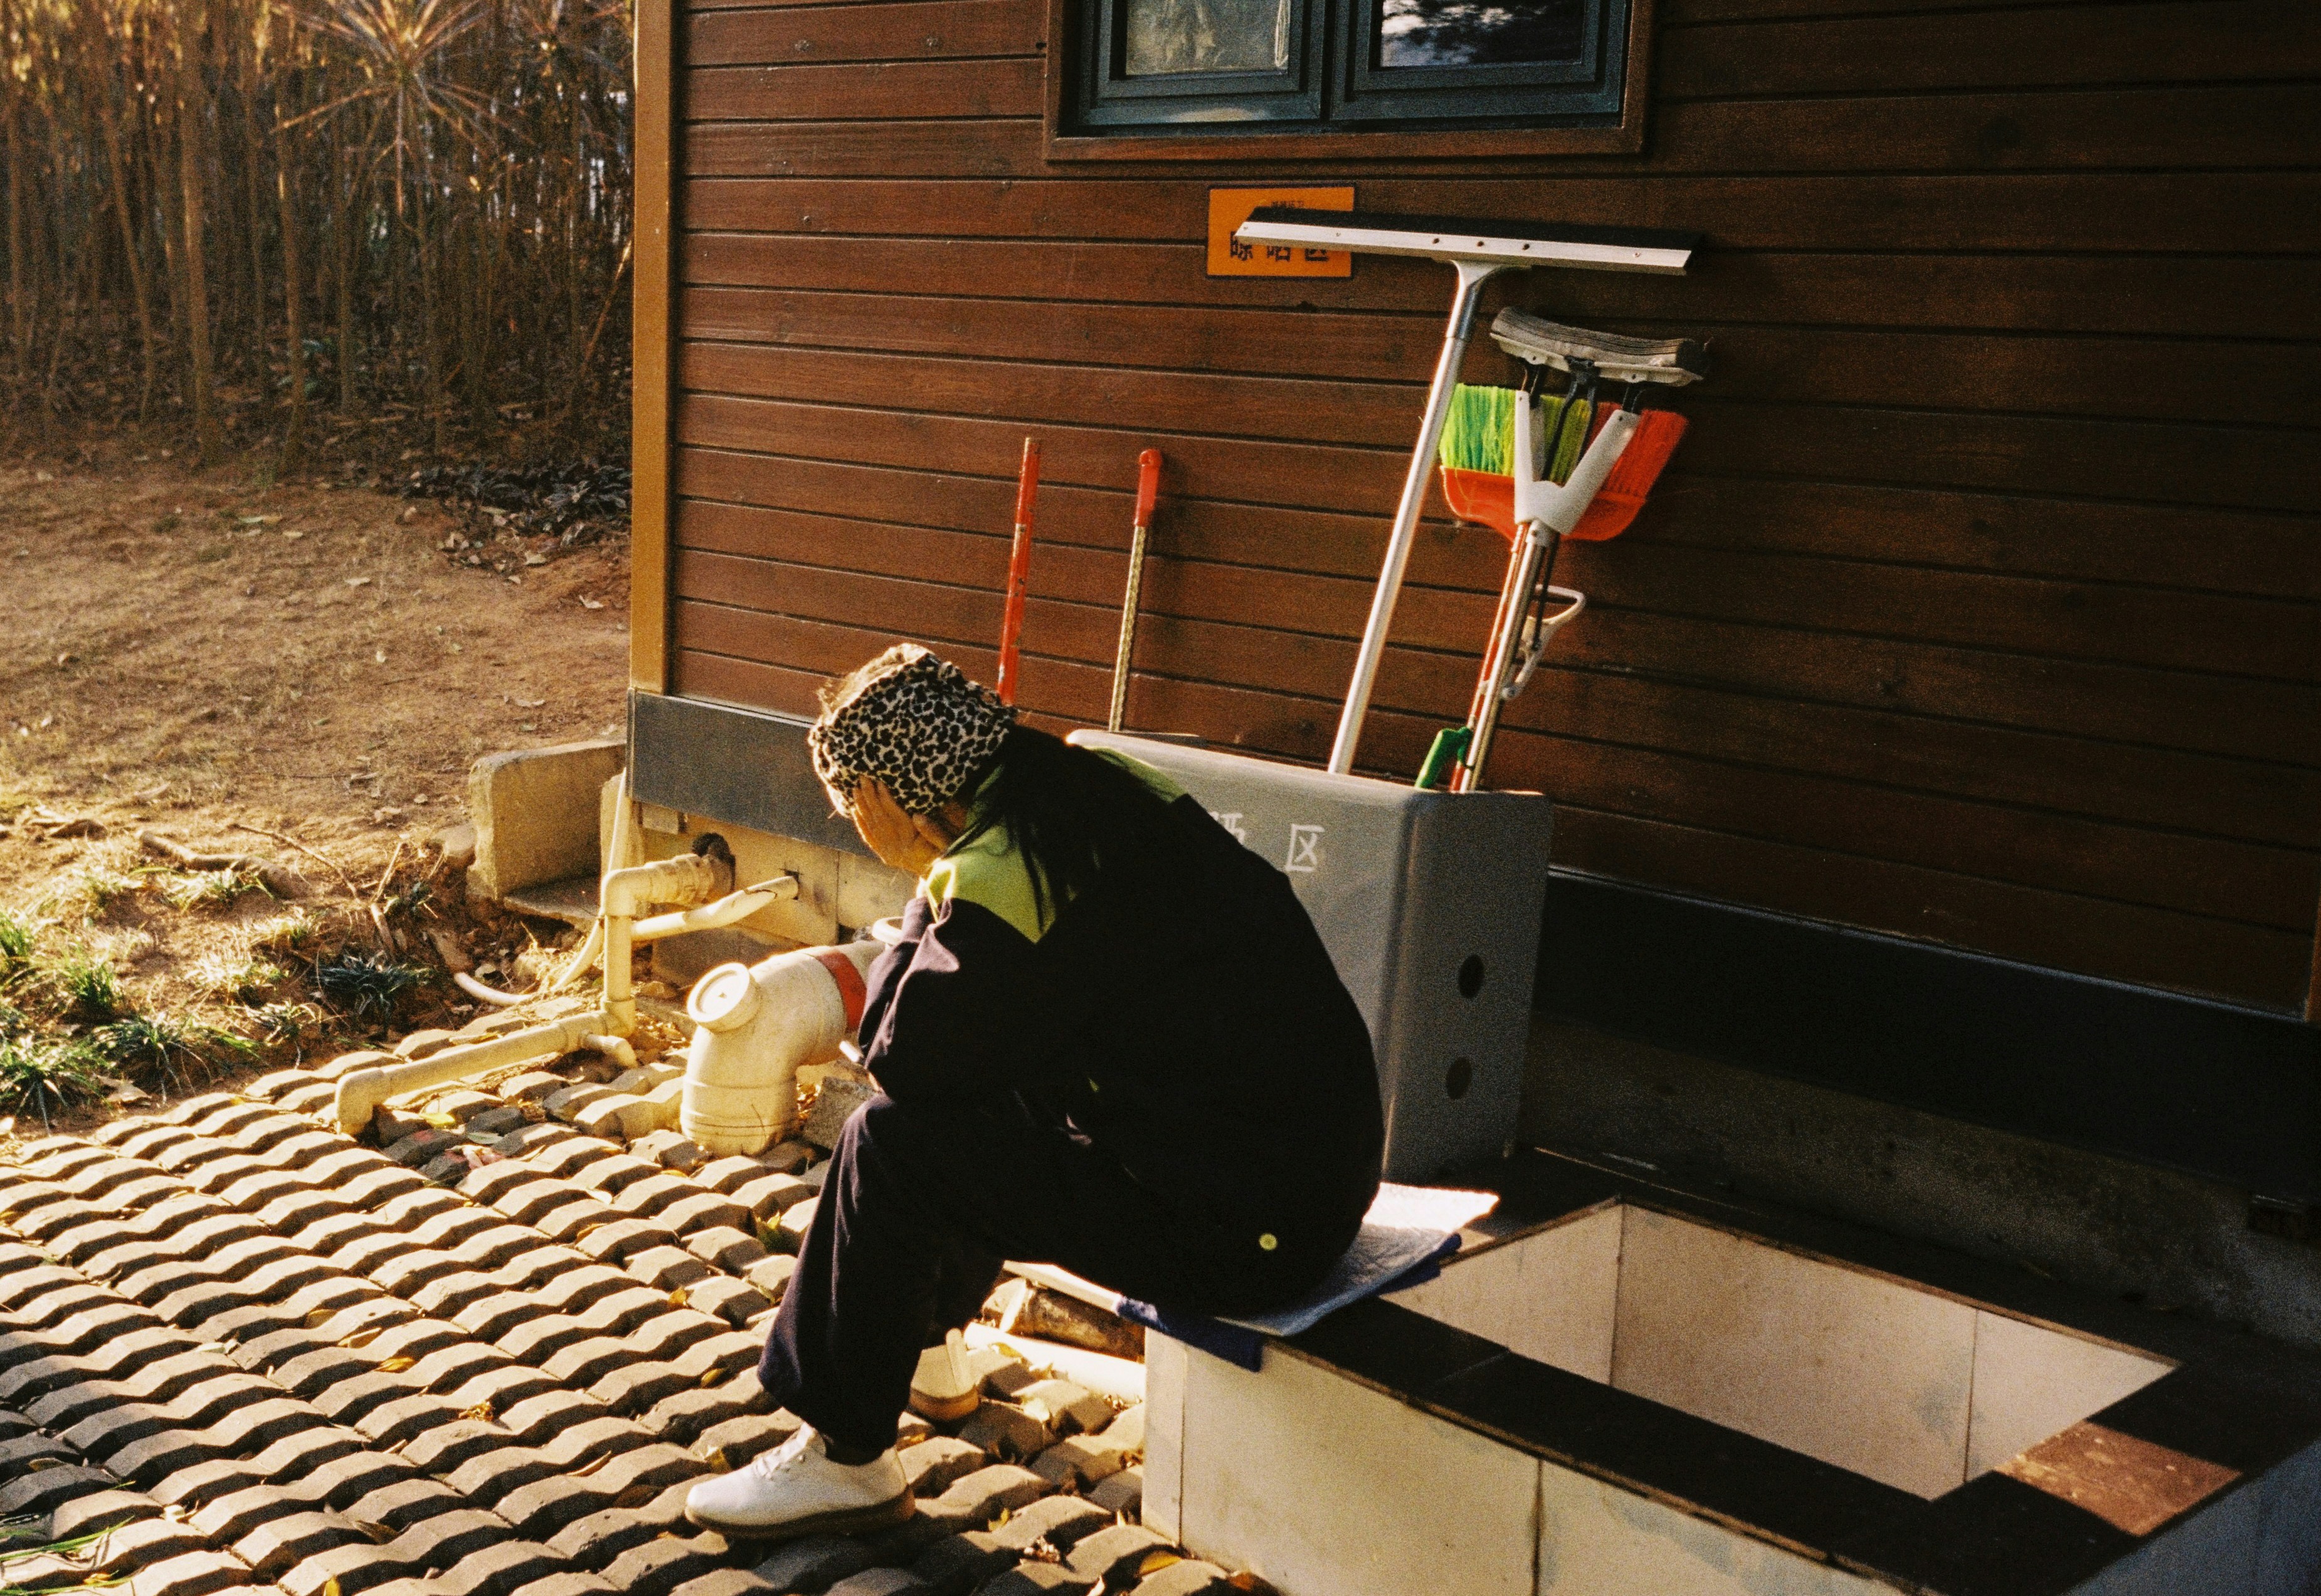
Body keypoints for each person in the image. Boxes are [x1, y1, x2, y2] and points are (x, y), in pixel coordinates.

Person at [684, 644, 1383, 1539]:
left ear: (880, 798)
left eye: (846, 803)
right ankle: (924, 1345)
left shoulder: (1000, 878)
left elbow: (901, 1054)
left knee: (891, 1143)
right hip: (1306, 1173)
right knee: (1001, 1066)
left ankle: (844, 1454)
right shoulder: (1102, 784)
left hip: (1247, 1232)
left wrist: (919, 898)